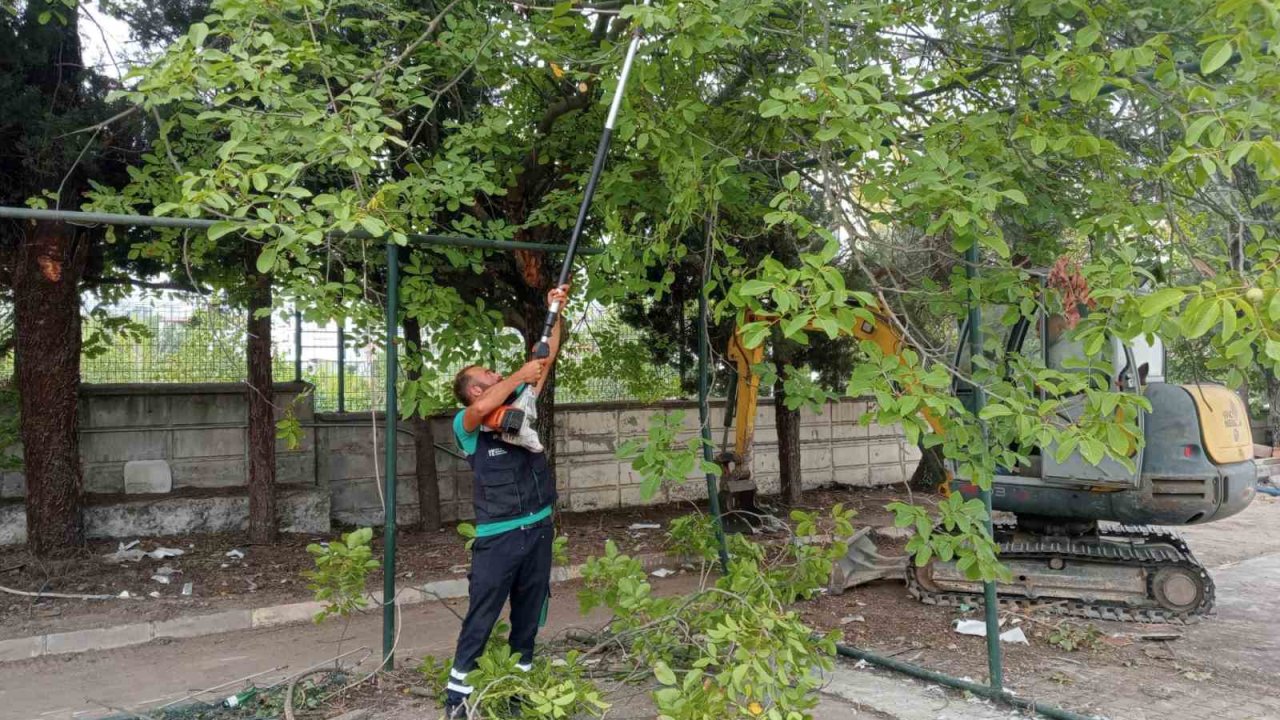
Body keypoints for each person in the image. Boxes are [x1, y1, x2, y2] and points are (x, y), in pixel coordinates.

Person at [443, 284, 569, 718]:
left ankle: (516, 689)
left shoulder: (521, 406)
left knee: (529, 614)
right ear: (475, 390)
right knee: (483, 613)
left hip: (538, 528)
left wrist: (558, 310)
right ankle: (458, 697)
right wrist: (517, 375)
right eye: (489, 377)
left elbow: (544, 361)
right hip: (498, 538)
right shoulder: (467, 423)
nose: (498, 377)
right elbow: (484, 409)